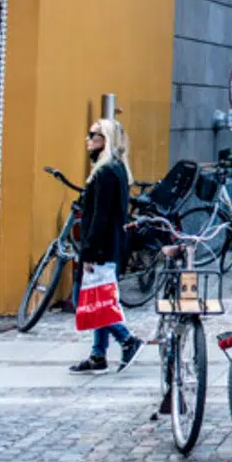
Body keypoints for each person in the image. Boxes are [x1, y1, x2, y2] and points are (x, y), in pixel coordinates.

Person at [69, 118, 144, 374]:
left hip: (101, 248)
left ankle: (127, 339)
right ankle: (98, 354)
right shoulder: (117, 168)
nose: (87, 140)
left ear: (105, 140)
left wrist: (89, 252)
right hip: (110, 245)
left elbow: (100, 217)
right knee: (99, 297)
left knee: (88, 299)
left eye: (93, 135)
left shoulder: (105, 172)